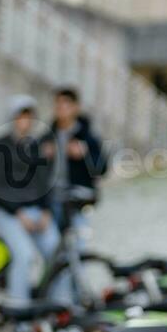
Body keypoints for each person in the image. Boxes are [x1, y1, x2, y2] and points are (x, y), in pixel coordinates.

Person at [0, 94, 61, 312]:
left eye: (29, 116)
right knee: (24, 256)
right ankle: (20, 313)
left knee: (56, 253)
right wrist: (17, 212)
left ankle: (59, 309)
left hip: (35, 210)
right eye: (21, 116)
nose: (25, 121)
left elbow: (45, 182)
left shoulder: (36, 148)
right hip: (6, 211)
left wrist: (46, 211)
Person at [39, 86, 107, 232]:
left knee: (76, 244)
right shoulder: (47, 137)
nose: (61, 108)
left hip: (77, 200)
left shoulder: (88, 138)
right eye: (58, 104)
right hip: (51, 199)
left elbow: (102, 169)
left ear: (76, 107)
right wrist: (41, 156)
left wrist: (85, 155)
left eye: (66, 103)